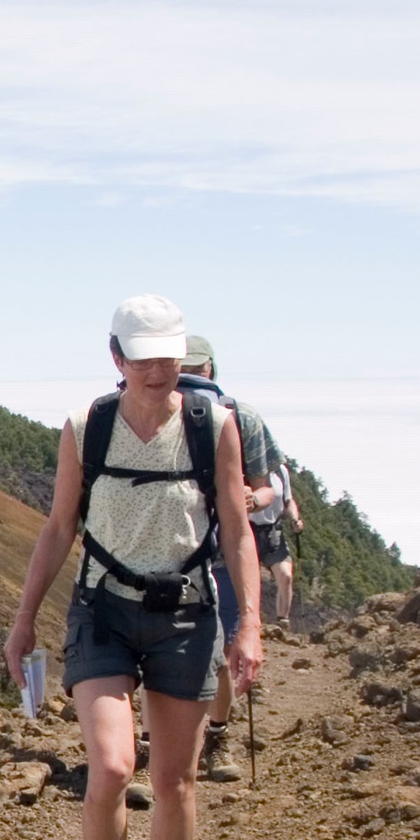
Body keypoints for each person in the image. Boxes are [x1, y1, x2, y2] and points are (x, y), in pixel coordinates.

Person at [3, 295, 263, 840]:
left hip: (185, 611)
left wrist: (250, 624)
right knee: (114, 765)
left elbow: (236, 528)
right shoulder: (89, 426)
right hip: (105, 610)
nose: (158, 369)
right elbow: (60, 526)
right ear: (116, 357)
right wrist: (24, 618)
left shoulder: (213, 426)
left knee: (175, 776)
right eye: (143, 356)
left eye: (168, 355)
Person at [177, 335, 298, 782]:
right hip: (177, 554)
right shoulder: (154, 416)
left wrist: (249, 498)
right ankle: (160, 747)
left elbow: (270, 486)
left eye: (196, 367)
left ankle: (217, 736)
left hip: (225, 555)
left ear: (210, 368)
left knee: (222, 653)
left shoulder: (240, 418)